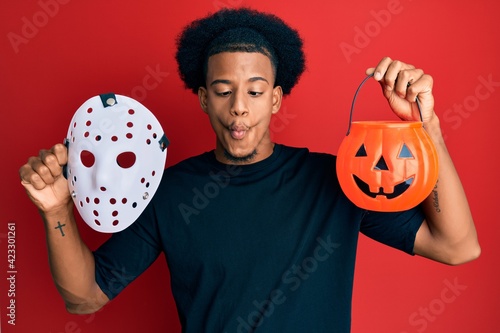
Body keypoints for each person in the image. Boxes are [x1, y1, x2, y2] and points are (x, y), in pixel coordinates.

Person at [19, 7, 480, 333]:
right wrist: (56, 208)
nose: (238, 108)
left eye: (255, 92)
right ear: (203, 98)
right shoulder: (169, 192)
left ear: (276, 98)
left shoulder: (337, 180)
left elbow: (457, 247)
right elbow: (84, 298)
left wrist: (426, 128)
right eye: (222, 90)